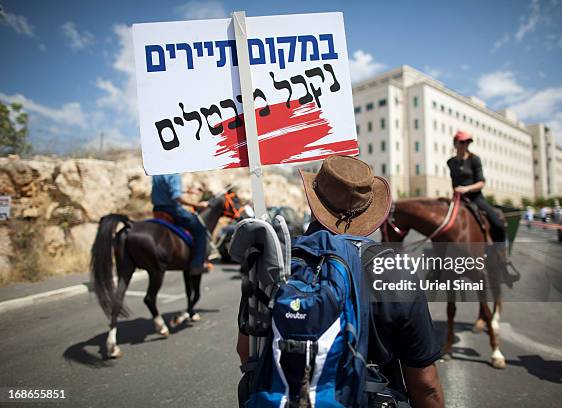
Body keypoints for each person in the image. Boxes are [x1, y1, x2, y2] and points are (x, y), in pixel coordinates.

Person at [236, 155, 444, 407]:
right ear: (369, 210)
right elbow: (426, 385)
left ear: (313, 204)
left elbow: (246, 351)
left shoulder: (276, 263)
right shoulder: (396, 272)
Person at [446, 131, 506, 243]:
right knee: (442, 222)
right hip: (458, 199)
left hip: (475, 198)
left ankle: (501, 254)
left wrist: (466, 188)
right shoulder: (450, 162)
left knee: (498, 224)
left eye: (468, 142)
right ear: (455, 144)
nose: (465, 145)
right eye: (462, 142)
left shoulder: (474, 159)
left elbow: (481, 183)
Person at [151, 174, 209, 275]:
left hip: (157, 209)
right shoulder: (174, 173)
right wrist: (198, 205)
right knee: (200, 230)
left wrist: (187, 191)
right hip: (172, 210)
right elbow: (176, 197)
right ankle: (197, 264)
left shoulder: (157, 170)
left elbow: (165, 190)